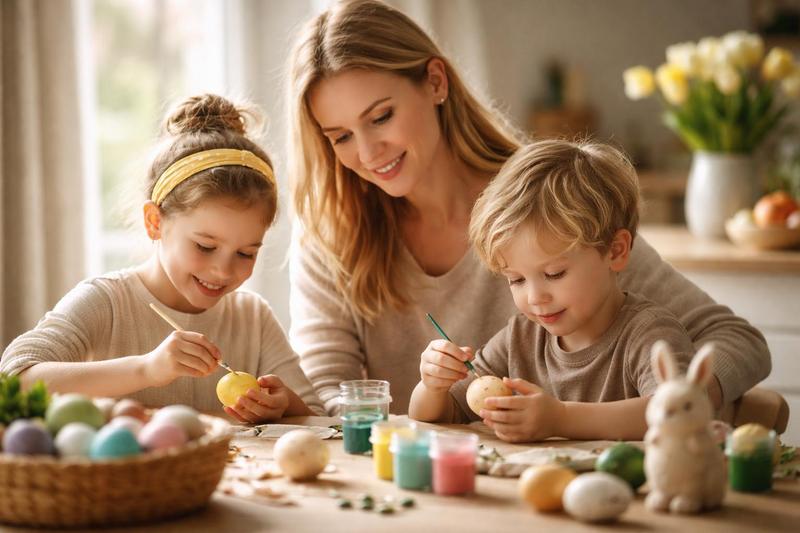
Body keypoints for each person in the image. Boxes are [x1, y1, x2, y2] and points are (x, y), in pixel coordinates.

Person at [286, 0, 770, 416]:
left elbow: (734, 340)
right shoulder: (331, 237)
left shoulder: (545, 202)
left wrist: (669, 406)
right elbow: (329, 398)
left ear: (435, 82)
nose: (368, 153)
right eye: (341, 137)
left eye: (381, 117)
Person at [0, 94, 324, 422]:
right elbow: (15, 381)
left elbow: (321, 421)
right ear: (155, 222)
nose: (223, 270)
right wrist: (147, 369)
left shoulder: (252, 318)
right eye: (205, 246)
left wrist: (284, 405)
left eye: (245, 253)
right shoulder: (106, 303)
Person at [410, 140, 699, 441]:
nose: (535, 298)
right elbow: (442, 415)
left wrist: (560, 419)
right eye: (516, 280)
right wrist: (433, 387)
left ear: (615, 251)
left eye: (554, 274)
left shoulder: (649, 335)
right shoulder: (520, 337)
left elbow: (679, 412)